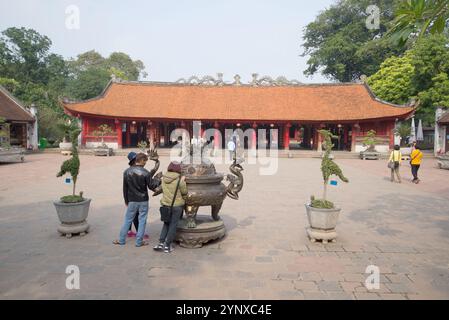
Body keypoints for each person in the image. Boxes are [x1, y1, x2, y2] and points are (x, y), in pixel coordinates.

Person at [113, 153, 161, 247]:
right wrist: (158, 180)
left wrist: (126, 201)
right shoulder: (146, 172)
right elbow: (152, 186)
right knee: (142, 220)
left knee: (127, 220)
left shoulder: (127, 171)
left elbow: (125, 188)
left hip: (132, 200)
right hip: (143, 200)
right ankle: (139, 242)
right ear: (142, 160)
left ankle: (121, 240)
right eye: (145, 161)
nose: (145, 163)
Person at [154, 161, 187, 253]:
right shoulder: (179, 179)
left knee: (166, 223)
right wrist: (183, 182)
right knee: (173, 225)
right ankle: (167, 245)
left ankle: (161, 243)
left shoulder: (164, 178)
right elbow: (184, 192)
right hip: (177, 206)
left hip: (165, 204)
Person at [125, 152, 149, 240]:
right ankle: (139, 233)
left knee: (131, 215)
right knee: (135, 215)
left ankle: (126, 234)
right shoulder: (132, 170)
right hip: (136, 198)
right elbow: (125, 188)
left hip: (131, 198)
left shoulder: (129, 170)